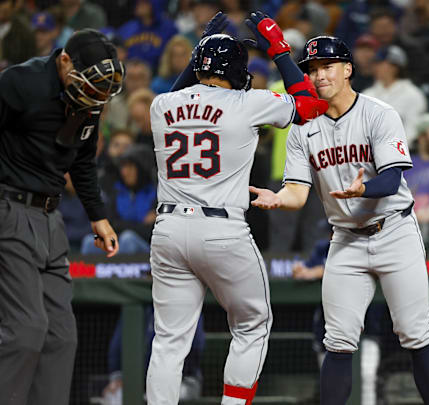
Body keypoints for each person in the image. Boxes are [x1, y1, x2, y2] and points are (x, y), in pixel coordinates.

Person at [249, 35, 429, 405]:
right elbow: (298, 192)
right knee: (337, 341)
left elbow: (391, 179)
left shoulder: (379, 113)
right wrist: (278, 198)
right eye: (312, 69)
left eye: (327, 66)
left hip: (394, 230)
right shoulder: (302, 128)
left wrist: (364, 190)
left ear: (347, 69)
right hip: (345, 239)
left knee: (416, 334)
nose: (319, 75)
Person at [145, 12, 328, 405]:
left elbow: (181, 92)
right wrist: (279, 49)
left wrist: (199, 53)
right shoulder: (248, 103)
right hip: (222, 230)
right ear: (237, 71)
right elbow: (310, 105)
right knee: (252, 324)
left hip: (168, 231)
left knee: (168, 340)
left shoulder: (161, 105)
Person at [0, 28, 123, 405]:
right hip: (10, 209)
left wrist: (97, 216)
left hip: (52, 220)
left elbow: (83, 162)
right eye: (89, 81)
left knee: (61, 336)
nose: (96, 93)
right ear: (64, 60)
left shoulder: (92, 93)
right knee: (25, 330)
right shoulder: (20, 83)